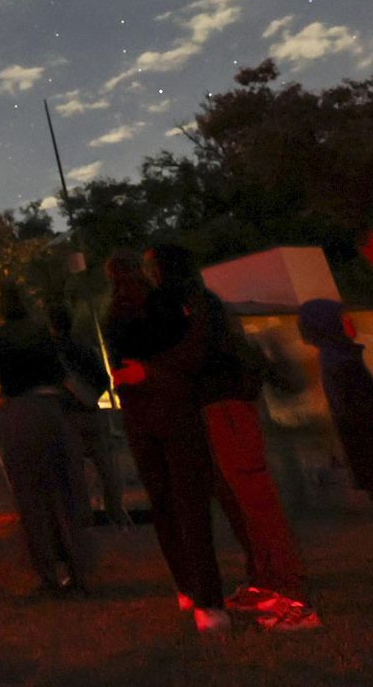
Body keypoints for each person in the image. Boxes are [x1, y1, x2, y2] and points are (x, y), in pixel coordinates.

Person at [144, 244, 319, 632]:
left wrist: (153, 369)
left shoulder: (197, 304)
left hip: (227, 406)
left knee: (256, 500)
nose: (150, 276)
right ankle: (267, 581)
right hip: (214, 407)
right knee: (238, 500)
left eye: (153, 268)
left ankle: (295, 597)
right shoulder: (197, 303)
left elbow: (200, 353)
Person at [103, 251, 228, 634]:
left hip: (140, 418)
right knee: (190, 504)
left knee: (163, 504)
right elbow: (187, 356)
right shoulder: (166, 305)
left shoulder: (113, 318)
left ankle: (186, 587)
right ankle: (208, 601)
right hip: (174, 411)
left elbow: (121, 369)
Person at [0, 284, 92, 595]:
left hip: (19, 415)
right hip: (50, 411)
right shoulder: (40, 331)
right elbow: (60, 371)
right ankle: (78, 569)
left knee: (32, 499)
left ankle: (48, 574)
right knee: (63, 491)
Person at [47, 303, 129, 527]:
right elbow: (103, 379)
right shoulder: (84, 349)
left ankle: (83, 519)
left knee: (74, 471)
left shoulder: (52, 353)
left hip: (67, 416)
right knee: (106, 467)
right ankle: (116, 513)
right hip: (91, 412)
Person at [298, 298, 373, 499]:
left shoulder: (336, 357)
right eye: (343, 319)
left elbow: (346, 407)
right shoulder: (341, 356)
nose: (348, 322)